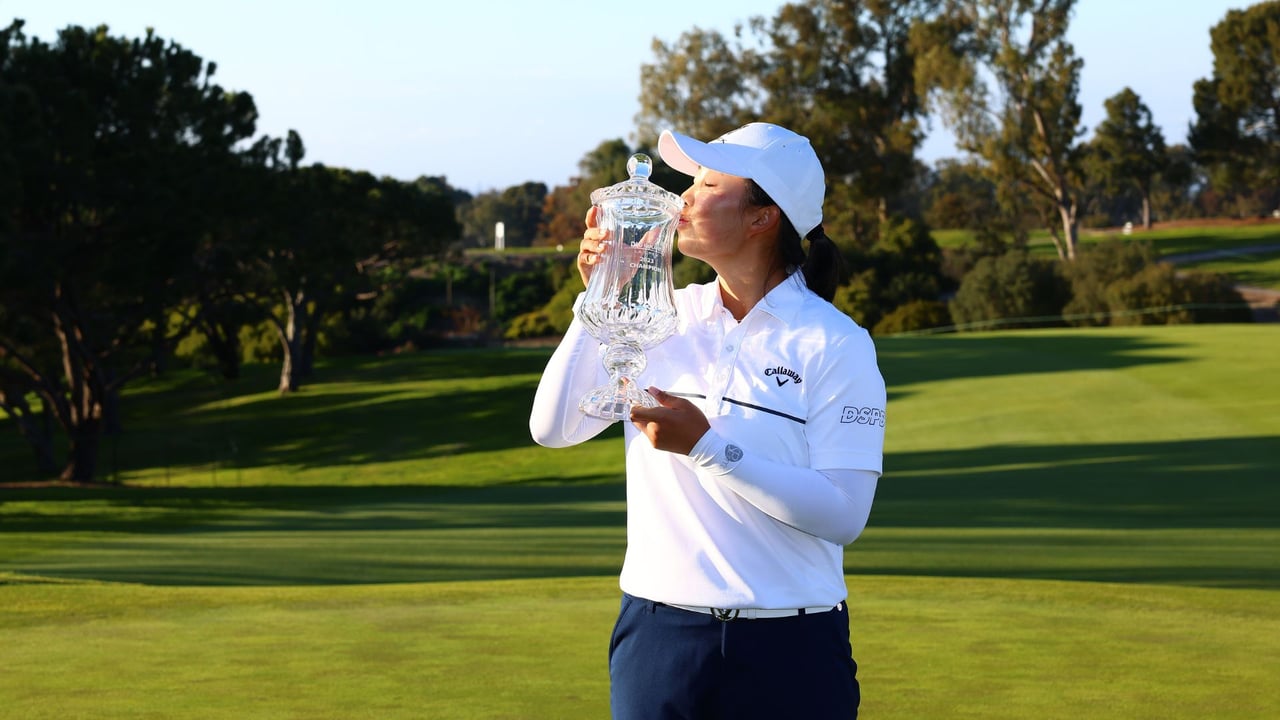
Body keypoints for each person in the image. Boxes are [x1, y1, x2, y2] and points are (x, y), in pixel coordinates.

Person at [529, 122, 886, 719]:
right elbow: (552, 427)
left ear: (761, 217)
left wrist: (707, 447)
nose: (683, 198)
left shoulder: (835, 343)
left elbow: (844, 513)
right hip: (658, 639)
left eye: (708, 183)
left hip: (791, 650)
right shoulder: (664, 313)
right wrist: (600, 301)